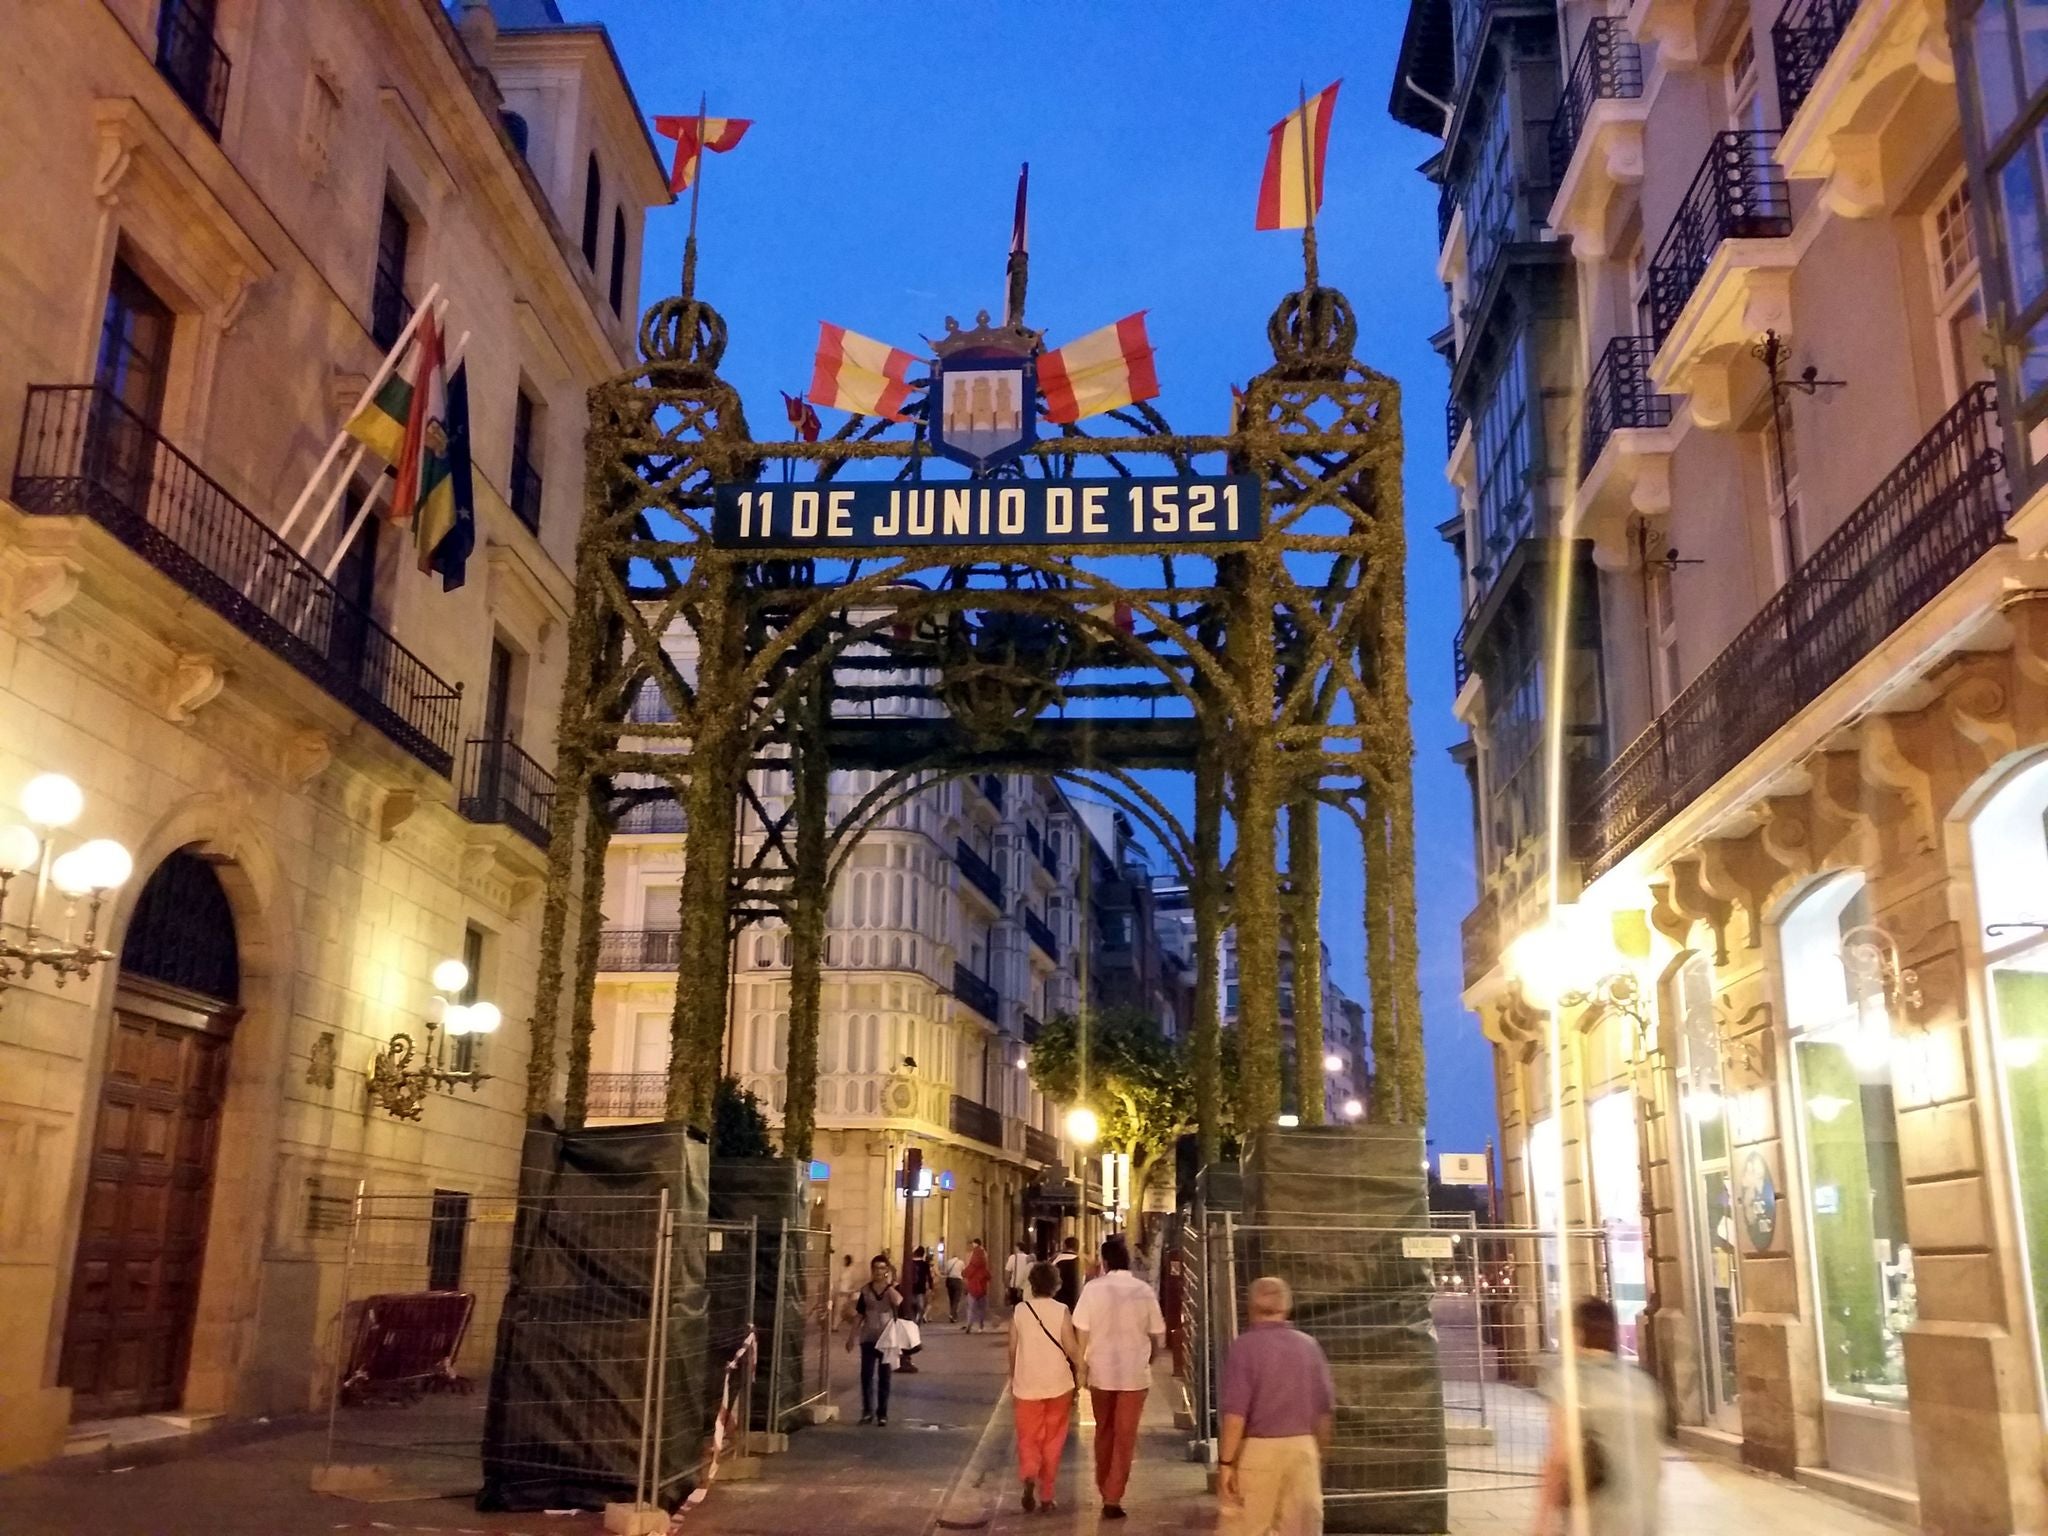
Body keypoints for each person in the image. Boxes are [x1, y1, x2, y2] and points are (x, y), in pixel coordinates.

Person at [1532, 1297, 1664, 1536]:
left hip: (1597, 1517)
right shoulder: (1642, 1383)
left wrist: (1542, 1522)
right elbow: (1656, 1464)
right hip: (1644, 1517)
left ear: (1576, 1334)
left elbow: (1560, 1457)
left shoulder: (1571, 1382)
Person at [1216, 1275, 1336, 1536]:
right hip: (1303, 1450)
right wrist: (1318, 1455)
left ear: (1250, 1308)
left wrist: (1226, 1464)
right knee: (1301, 1529)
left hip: (1257, 1452)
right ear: (1287, 1307)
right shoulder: (1310, 1347)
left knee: (1244, 1527)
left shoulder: (1244, 1348)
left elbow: (1235, 1415)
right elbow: (1325, 1413)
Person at [1071, 1234, 1166, 1520]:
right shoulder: (1143, 1290)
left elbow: (1081, 1331)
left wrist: (1081, 1367)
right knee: (1126, 1435)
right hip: (1134, 1376)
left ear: (1104, 1261)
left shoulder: (1092, 1290)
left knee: (1105, 1431)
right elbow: (1158, 1335)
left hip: (1101, 1373)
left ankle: (1103, 1485)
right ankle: (1114, 1495)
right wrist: (1149, 1357)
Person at [1010, 1259, 1081, 1515]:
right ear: (1056, 1285)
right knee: (1053, 1438)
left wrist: (1013, 1376)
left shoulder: (1020, 1310)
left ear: (1031, 1284)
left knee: (1028, 1435)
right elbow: (1071, 1348)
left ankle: (1029, 1471)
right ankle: (1047, 1494)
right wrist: (1082, 1370)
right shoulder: (1061, 1310)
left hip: (1026, 1384)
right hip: (1058, 1384)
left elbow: (1012, 1348)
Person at [843, 1255, 903, 1426]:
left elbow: (899, 1302)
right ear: (872, 1270)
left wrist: (889, 1285)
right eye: (876, 1268)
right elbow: (859, 1315)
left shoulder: (892, 1290)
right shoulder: (865, 1291)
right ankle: (867, 1411)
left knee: (885, 1377)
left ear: (887, 1271)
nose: (879, 1271)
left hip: (886, 1339)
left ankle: (882, 1413)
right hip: (868, 1338)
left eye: (882, 1268)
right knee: (866, 1376)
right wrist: (851, 1338)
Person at [963, 1237, 992, 1333]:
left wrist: (964, 1273)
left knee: (971, 1307)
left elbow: (968, 1270)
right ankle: (981, 1326)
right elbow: (987, 1273)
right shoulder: (984, 1256)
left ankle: (969, 1324)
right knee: (981, 1308)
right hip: (982, 1286)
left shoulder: (972, 1258)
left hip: (973, 1285)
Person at [1004, 1237, 1036, 1312]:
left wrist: (1006, 1286)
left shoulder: (1013, 1257)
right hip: (1025, 1287)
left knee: (1015, 1307)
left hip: (1014, 1286)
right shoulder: (1028, 1258)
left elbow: (1007, 1272)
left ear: (1017, 1248)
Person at [1054, 1235, 1081, 1310]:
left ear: (1065, 1246)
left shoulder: (1057, 1260)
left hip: (1058, 1299)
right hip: (1074, 1299)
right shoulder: (1079, 1261)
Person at [944, 1247, 968, 1324]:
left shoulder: (948, 1262)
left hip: (949, 1280)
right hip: (958, 1281)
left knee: (951, 1298)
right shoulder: (961, 1262)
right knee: (956, 1299)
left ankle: (954, 1315)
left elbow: (946, 1271)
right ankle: (952, 1314)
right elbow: (964, 1272)